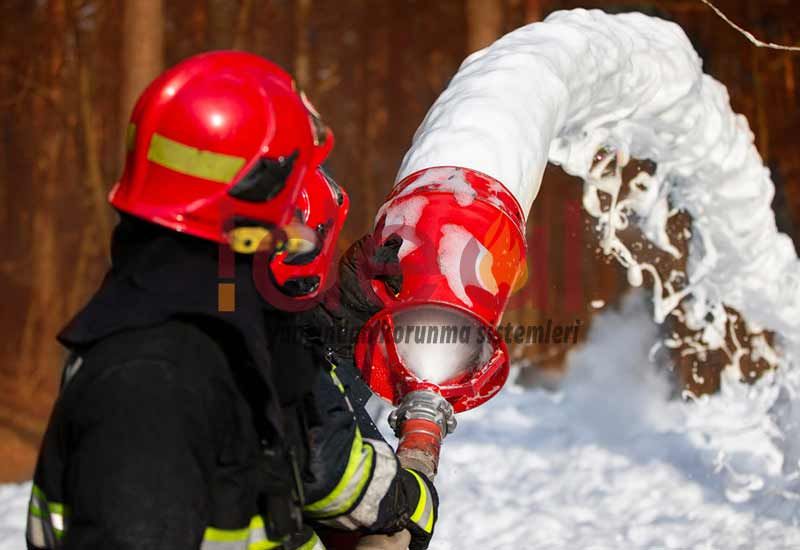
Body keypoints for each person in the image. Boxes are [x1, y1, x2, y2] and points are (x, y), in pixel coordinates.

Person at [26, 51, 437, 550]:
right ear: (253, 201)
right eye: (293, 195)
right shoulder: (152, 383)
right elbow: (322, 456)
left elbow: (290, 379)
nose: (300, 226)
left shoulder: (196, 310)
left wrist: (351, 304)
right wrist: (408, 496)